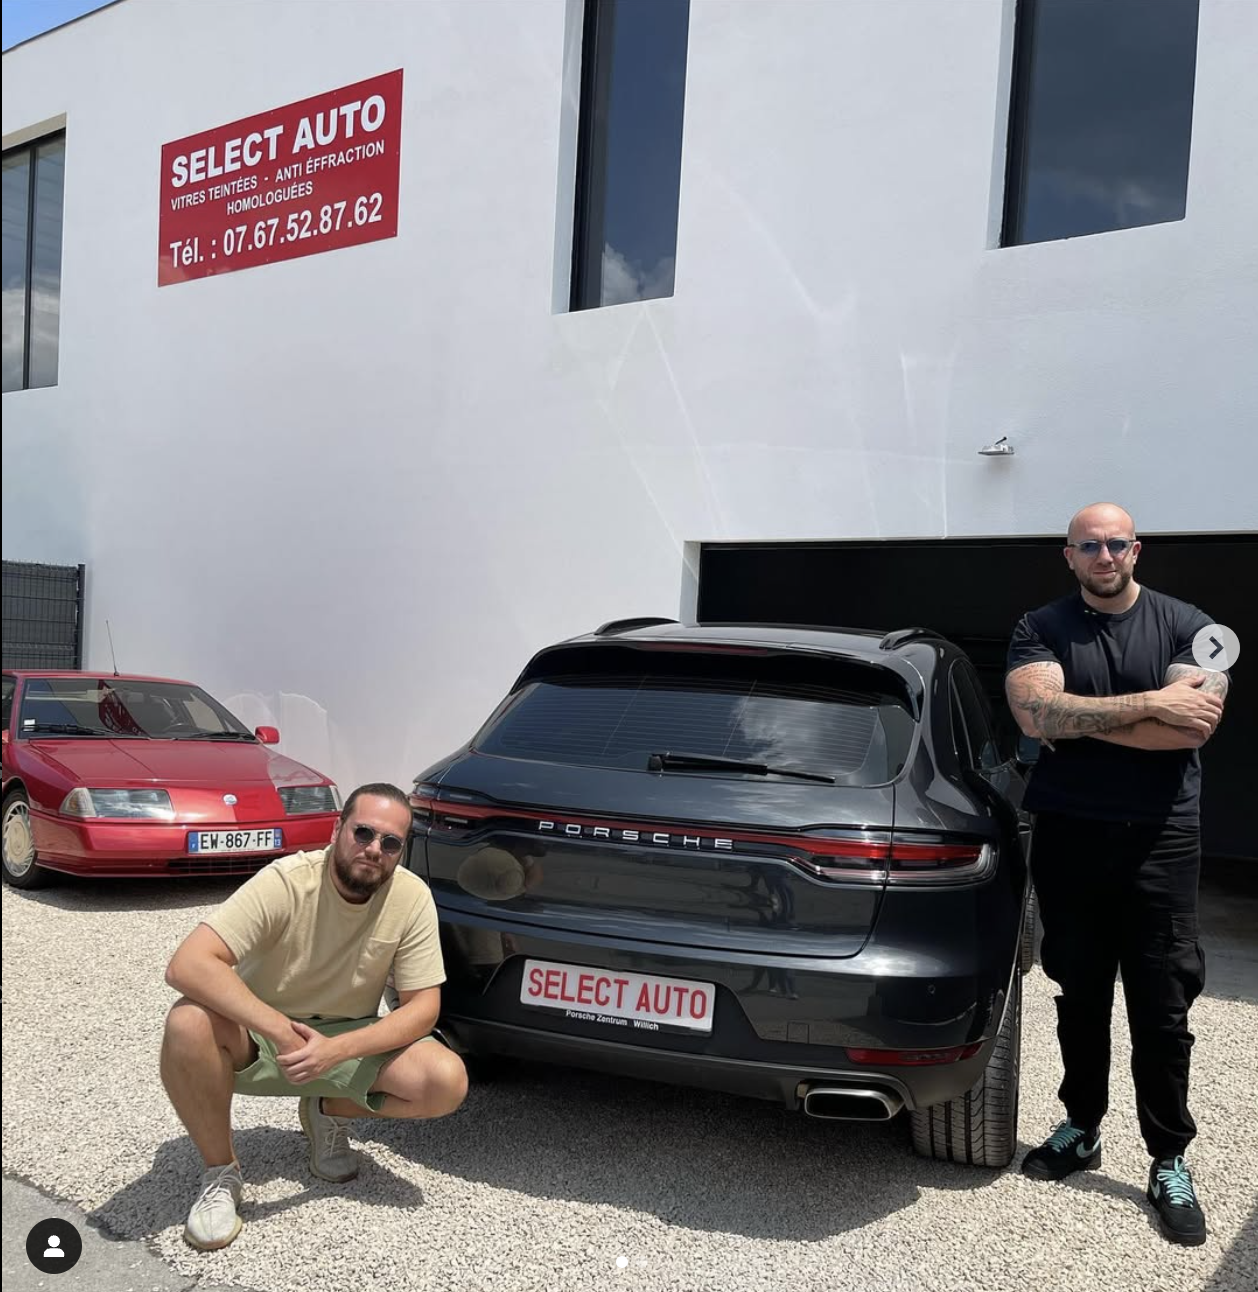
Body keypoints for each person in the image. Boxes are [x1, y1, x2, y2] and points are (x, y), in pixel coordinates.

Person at [1005, 503, 1228, 1247]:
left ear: (1138, 550)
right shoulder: (1040, 627)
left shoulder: (1189, 626)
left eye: (1117, 544)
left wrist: (1085, 719)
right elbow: (1036, 717)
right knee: (1080, 991)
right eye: (1090, 545)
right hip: (1070, 835)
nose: (1105, 555)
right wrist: (1151, 704)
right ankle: (1082, 1127)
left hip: (1163, 838)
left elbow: (1190, 728)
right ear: (1068, 555)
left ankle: (1169, 1158)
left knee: (1163, 1005)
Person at [161, 782, 467, 1251]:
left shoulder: (411, 896)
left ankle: (327, 1111)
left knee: (445, 1081)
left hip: (345, 1040)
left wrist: (336, 1051)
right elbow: (188, 964)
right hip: (261, 1038)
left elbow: (424, 1007)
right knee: (187, 1022)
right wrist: (281, 1032)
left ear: (401, 852)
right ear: (336, 829)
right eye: (363, 832)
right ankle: (221, 1173)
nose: (374, 849)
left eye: (391, 843)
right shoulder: (286, 881)